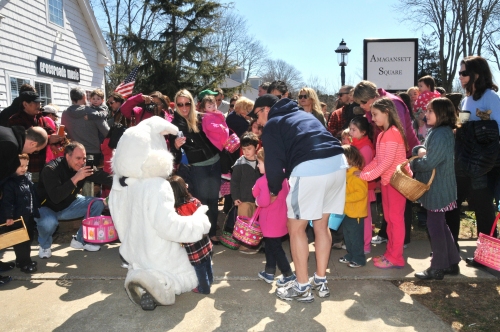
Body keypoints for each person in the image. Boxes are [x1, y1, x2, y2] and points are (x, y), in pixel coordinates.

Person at [250, 94, 346, 303]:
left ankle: (302, 286)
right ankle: (320, 280)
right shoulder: (303, 115)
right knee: (321, 225)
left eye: (256, 115)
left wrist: (274, 191)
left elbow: (274, 166)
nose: (256, 122)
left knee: (296, 228)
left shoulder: (273, 123)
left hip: (311, 168)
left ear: (266, 109)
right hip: (338, 163)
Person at [446, 55, 500, 267]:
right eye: (459, 73)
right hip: (464, 162)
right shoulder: (466, 98)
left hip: (484, 165)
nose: (460, 76)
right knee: (453, 205)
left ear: (477, 74)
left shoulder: (491, 97)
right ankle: (450, 254)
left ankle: (485, 258)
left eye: (464, 73)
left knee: (483, 210)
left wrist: (478, 125)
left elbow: (497, 131)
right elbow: (463, 125)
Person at [353, 81, 419, 248]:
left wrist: (366, 175)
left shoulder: (393, 111)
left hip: (398, 169)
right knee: (390, 214)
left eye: (363, 103)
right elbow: (381, 157)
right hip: (387, 173)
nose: (362, 108)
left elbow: (391, 152)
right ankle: (391, 243)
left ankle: (398, 246)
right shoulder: (383, 126)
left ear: (374, 98)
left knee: (397, 214)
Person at [411, 98, 461, 280]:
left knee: (435, 227)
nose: (426, 113)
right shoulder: (438, 132)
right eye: (427, 110)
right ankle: (452, 262)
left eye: (431, 111)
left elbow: (430, 161)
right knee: (440, 225)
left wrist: (415, 162)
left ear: (442, 113)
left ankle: (438, 267)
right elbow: (423, 148)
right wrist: (419, 151)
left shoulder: (441, 134)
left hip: (439, 189)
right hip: (438, 187)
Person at [35, 142, 113, 259]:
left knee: (97, 203)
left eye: (84, 158)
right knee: (48, 223)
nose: (82, 162)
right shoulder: (51, 169)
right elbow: (56, 197)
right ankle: (45, 246)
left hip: (70, 204)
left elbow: (104, 178)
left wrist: (126, 180)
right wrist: (76, 177)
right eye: (78, 158)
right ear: (67, 156)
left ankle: (80, 240)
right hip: (47, 207)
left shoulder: (83, 167)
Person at [359, 97, 409, 269]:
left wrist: (365, 176)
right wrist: (365, 171)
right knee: (389, 218)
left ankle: (396, 257)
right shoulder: (382, 134)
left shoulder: (393, 133)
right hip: (388, 183)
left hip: (396, 183)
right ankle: (390, 253)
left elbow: (386, 163)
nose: (372, 119)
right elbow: (378, 160)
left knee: (395, 219)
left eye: (375, 114)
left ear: (386, 112)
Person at [168, 89, 221, 245]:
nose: (184, 107)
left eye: (187, 103)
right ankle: (203, 233)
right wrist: (176, 147)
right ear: (176, 105)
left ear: (191, 103)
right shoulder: (174, 125)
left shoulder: (200, 118)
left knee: (213, 199)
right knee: (202, 201)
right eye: (180, 104)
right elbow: (174, 154)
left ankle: (211, 232)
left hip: (214, 162)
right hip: (196, 167)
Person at [0, 125, 47, 284]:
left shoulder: (9, 135)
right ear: (33, 144)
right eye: (34, 151)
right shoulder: (10, 145)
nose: (31, 154)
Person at [253, 148, 295, 285]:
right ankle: (269, 272)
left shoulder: (263, 180)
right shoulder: (283, 177)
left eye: (259, 163)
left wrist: (256, 200)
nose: (257, 165)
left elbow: (263, 201)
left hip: (269, 220)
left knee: (276, 248)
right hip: (281, 217)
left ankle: (288, 274)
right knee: (271, 246)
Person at [169, 175, 213, 294]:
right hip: (204, 239)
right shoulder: (194, 201)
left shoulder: (176, 210)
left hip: (192, 244)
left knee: (199, 267)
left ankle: (204, 288)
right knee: (207, 261)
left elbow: (178, 228)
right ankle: (210, 280)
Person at [0, 154, 40, 273]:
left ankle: (24, 260)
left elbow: (32, 197)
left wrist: (35, 210)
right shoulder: (9, 183)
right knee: (20, 241)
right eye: (20, 166)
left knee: (28, 239)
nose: (24, 168)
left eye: (26, 165)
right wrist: (9, 216)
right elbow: (8, 202)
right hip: (16, 218)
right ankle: (24, 263)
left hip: (27, 215)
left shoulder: (26, 179)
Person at [9, 91, 59, 182]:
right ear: (25, 104)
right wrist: (48, 139)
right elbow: (23, 139)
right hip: (25, 166)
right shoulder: (15, 119)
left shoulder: (40, 118)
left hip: (42, 164)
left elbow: (50, 132)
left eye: (39, 102)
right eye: (35, 103)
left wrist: (57, 137)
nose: (38, 105)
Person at [230, 132, 261, 253]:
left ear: (256, 147)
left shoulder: (261, 161)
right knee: (244, 222)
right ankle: (244, 245)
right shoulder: (240, 163)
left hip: (258, 200)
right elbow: (234, 182)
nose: (246, 151)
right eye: (244, 149)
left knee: (256, 223)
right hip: (243, 199)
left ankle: (254, 243)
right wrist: (235, 197)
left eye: (249, 148)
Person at [61, 88, 109, 166]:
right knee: (92, 177)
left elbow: (64, 133)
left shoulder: (65, 114)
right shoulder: (92, 113)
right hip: (92, 152)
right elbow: (107, 132)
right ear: (84, 97)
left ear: (72, 99)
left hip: (74, 152)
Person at [349, 116, 376, 254]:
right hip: (355, 187)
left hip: (363, 188)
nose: (350, 132)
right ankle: (356, 242)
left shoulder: (365, 147)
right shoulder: (355, 144)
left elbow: (362, 168)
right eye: (350, 129)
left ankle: (365, 245)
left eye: (354, 130)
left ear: (363, 132)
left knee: (365, 218)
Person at [338, 145, 368, 268]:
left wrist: (344, 198)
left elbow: (361, 193)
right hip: (348, 212)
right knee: (348, 236)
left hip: (356, 213)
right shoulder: (347, 173)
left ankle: (359, 258)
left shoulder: (356, 175)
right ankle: (351, 255)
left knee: (355, 238)